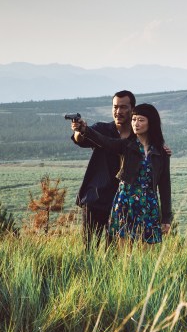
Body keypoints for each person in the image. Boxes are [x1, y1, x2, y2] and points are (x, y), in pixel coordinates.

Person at [78, 103, 172, 244]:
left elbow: (165, 185)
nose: (136, 124)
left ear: (151, 123)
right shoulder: (126, 145)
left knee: (147, 251)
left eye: (141, 120)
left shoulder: (161, 152)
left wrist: (166, 218)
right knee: (123, 252)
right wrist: (84, 129)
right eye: (134, 119)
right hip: (125, 203)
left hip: (149, 205)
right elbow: (104, 141)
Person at [71, 90, 135, 249]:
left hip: (121, 203)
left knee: (113, 254)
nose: (118, 111)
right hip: (95, 199)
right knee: (88, 250)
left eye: (123, 107)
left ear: (132, 109)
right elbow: (81, 140)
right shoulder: (102, 128)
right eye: (115, 107)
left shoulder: (138, 135)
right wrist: (79, 130)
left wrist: (161, 148)